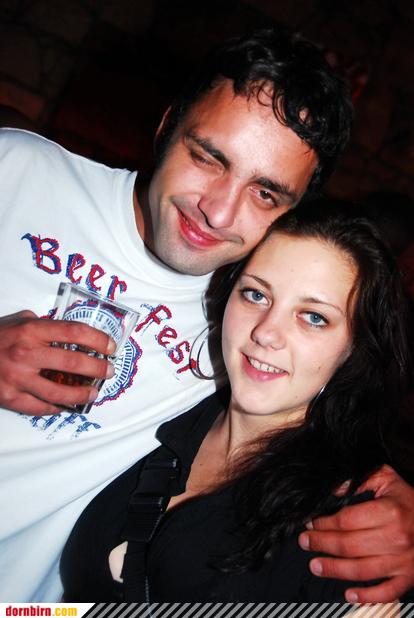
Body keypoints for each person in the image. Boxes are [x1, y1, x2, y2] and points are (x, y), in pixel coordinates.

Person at [0, 26, 413, 603]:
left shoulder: (244, 313)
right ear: (167, 126)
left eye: (265, 193)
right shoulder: (16, 170)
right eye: (206, 157)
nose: (218, 212)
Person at [60, 199, 414, 602]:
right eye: (255, 294)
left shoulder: (347, 524)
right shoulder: (166, 410)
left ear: (352, 351)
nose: (266, 332)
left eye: (314, 317)